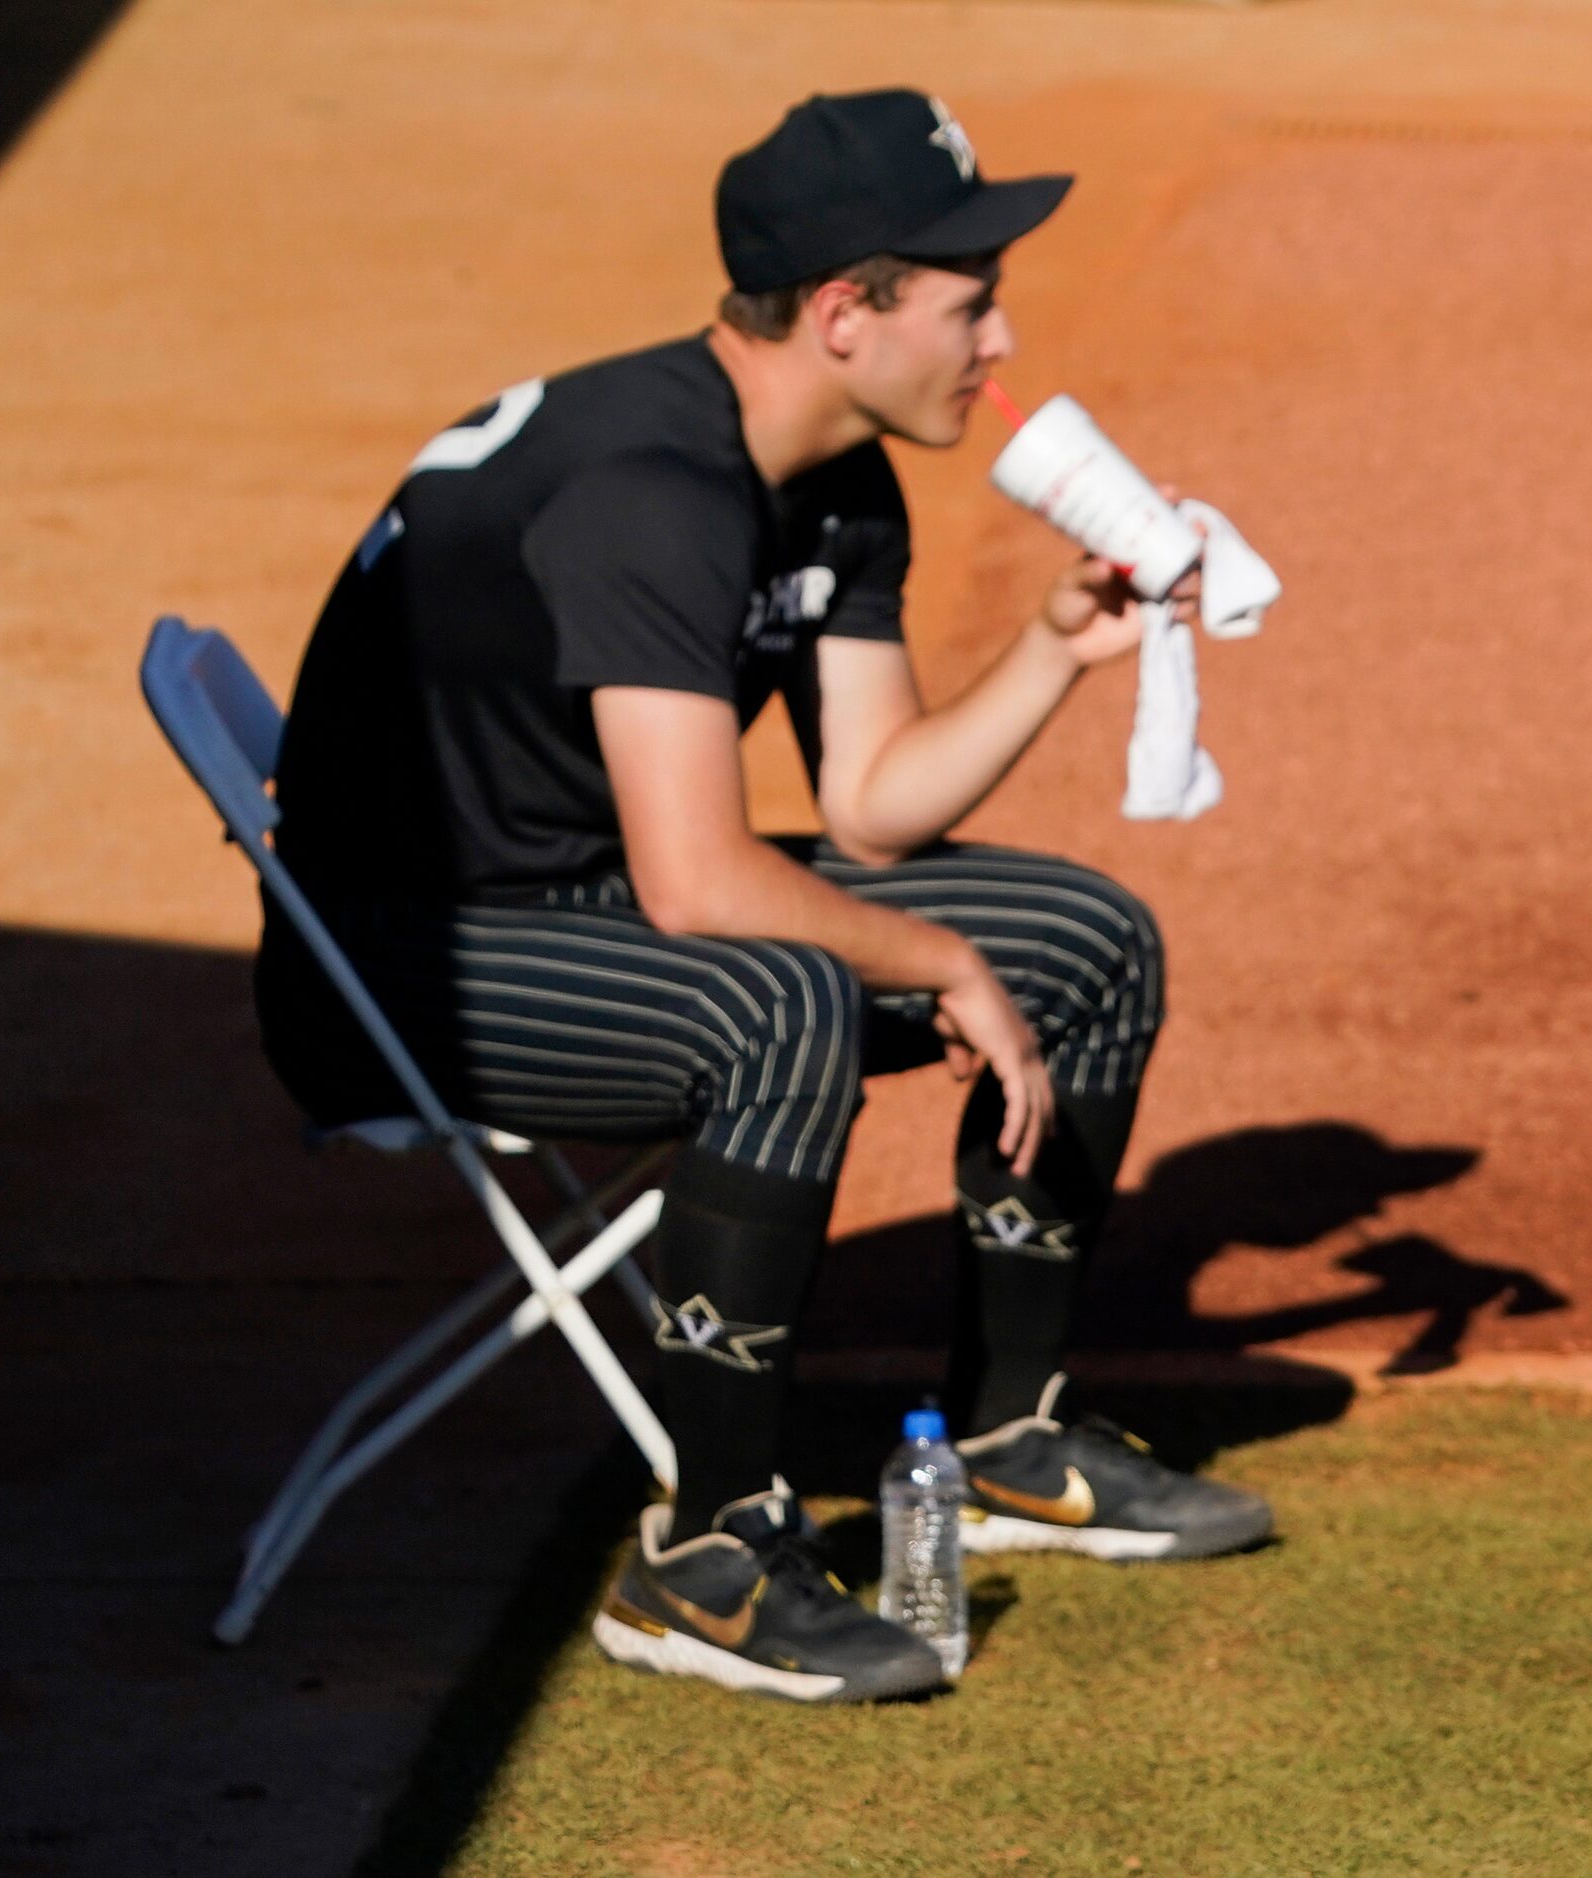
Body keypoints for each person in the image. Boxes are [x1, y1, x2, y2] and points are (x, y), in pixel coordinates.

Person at [258, 88, 1271, 1705]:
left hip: (571, 896)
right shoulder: (651, 485)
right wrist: (939, 961)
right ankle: (705, 1553)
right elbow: (699, 878)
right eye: (967, 303)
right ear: (843, 311)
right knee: (779, 997)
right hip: (399, 962)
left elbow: (868, 803)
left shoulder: (836, 476)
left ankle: (1008, 1436)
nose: (999, 346)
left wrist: (1053, 650)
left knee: (1084, 940)